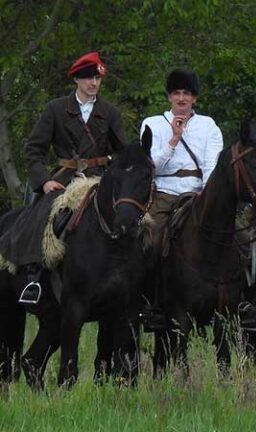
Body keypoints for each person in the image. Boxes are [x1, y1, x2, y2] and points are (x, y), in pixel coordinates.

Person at [0, 51, 127, 304]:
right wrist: (44, 181)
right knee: (41, 216)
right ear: (77, 79)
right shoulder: (56, 109)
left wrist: (111, 167)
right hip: (65, 179)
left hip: (100, 180)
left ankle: (134, 285)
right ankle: (34, 277)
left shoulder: (110, 112)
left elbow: (122, 152)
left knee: (132, 219)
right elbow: (33, 149)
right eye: (89, 78)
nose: (94, 83)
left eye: (97, 78)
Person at [139, 68, 223, 328]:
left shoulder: (208, 125)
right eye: (176, 93)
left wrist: (206, 195)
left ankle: (229, 303)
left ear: (194, 98)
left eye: (187, 93)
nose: (182, 98)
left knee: (234, 240)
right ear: (169, 97)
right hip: (164, 191)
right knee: (151, 241)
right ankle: (148, 302)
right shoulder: (152, 124)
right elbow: (151, 166)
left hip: (196, 193)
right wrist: (174, 139)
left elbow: (212, 165)